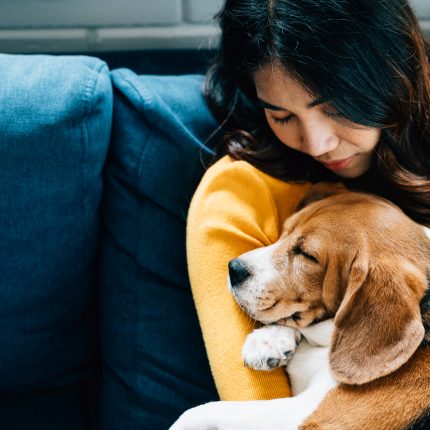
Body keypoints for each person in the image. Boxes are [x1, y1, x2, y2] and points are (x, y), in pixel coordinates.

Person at [186, 0, 430, 426]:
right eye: (281, 115)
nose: (317, 144)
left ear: (391, 75)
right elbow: (251, 399)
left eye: (336, 108)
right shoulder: (238, 194)